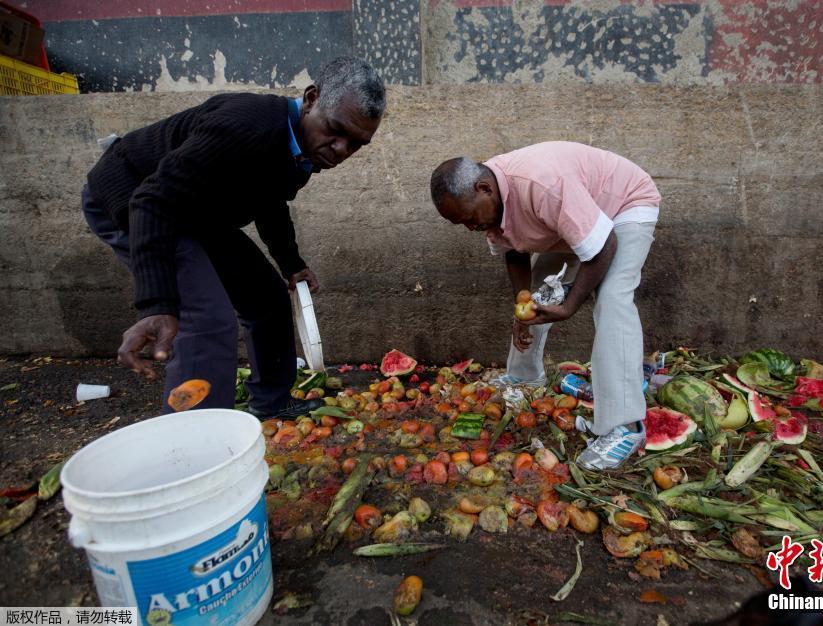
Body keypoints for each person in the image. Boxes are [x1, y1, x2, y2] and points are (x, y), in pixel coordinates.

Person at [83, 56, 385, 418]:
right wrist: (158, 303)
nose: (341, 150)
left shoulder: (303, 148)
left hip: (196, 211)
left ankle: (271, 403)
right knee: (207, 318)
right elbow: (152, 200)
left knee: (268, 296)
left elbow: (270, 199)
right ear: (311, 97)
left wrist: (290, 263)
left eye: (356, 144)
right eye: (336, 130)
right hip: (136, 198)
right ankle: (197, 443)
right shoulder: (244, 126)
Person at [429, 141, 660, 470]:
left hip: (623, 205)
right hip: (573, 219)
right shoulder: (489, 201)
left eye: (469, 218)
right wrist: (521, 310)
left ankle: (625, 426)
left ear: (484, 189)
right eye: (462, 224)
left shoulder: (542, 184)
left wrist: (569, 306)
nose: (470, 228)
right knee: (537, 293)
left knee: (612, 296)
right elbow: (515, 252)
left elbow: (604, 245)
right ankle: (525, 378)